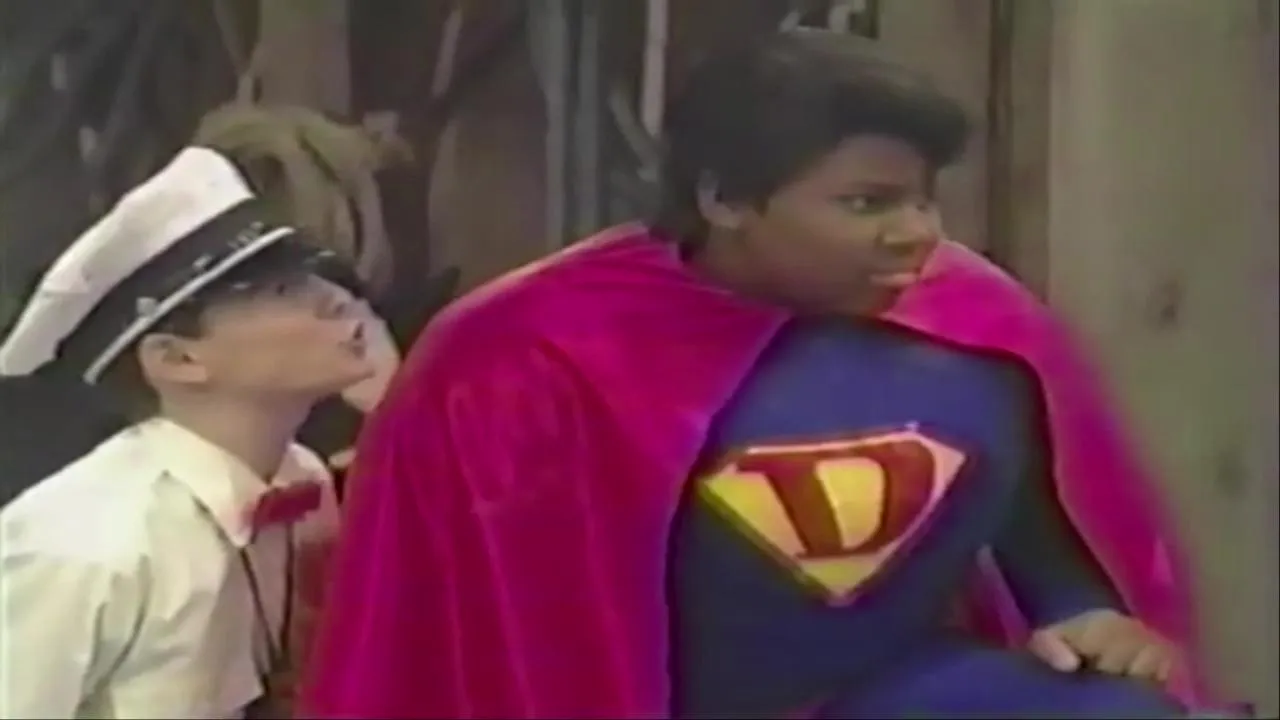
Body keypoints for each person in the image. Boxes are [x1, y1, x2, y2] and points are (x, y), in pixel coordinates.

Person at [300, 32, 1220, 718]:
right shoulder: (523, 355)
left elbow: (1054, 562)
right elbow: (443, 631)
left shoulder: (980, 333)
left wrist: (1094, 621)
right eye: (866, 202)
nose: (917, 233)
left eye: (923, 198)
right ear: (724, 199)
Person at [0, 147, 372, 718]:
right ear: (178, 359)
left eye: (315, 277)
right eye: (282, 292)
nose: (336, 300)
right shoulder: (88, 544)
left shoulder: (300, 477)